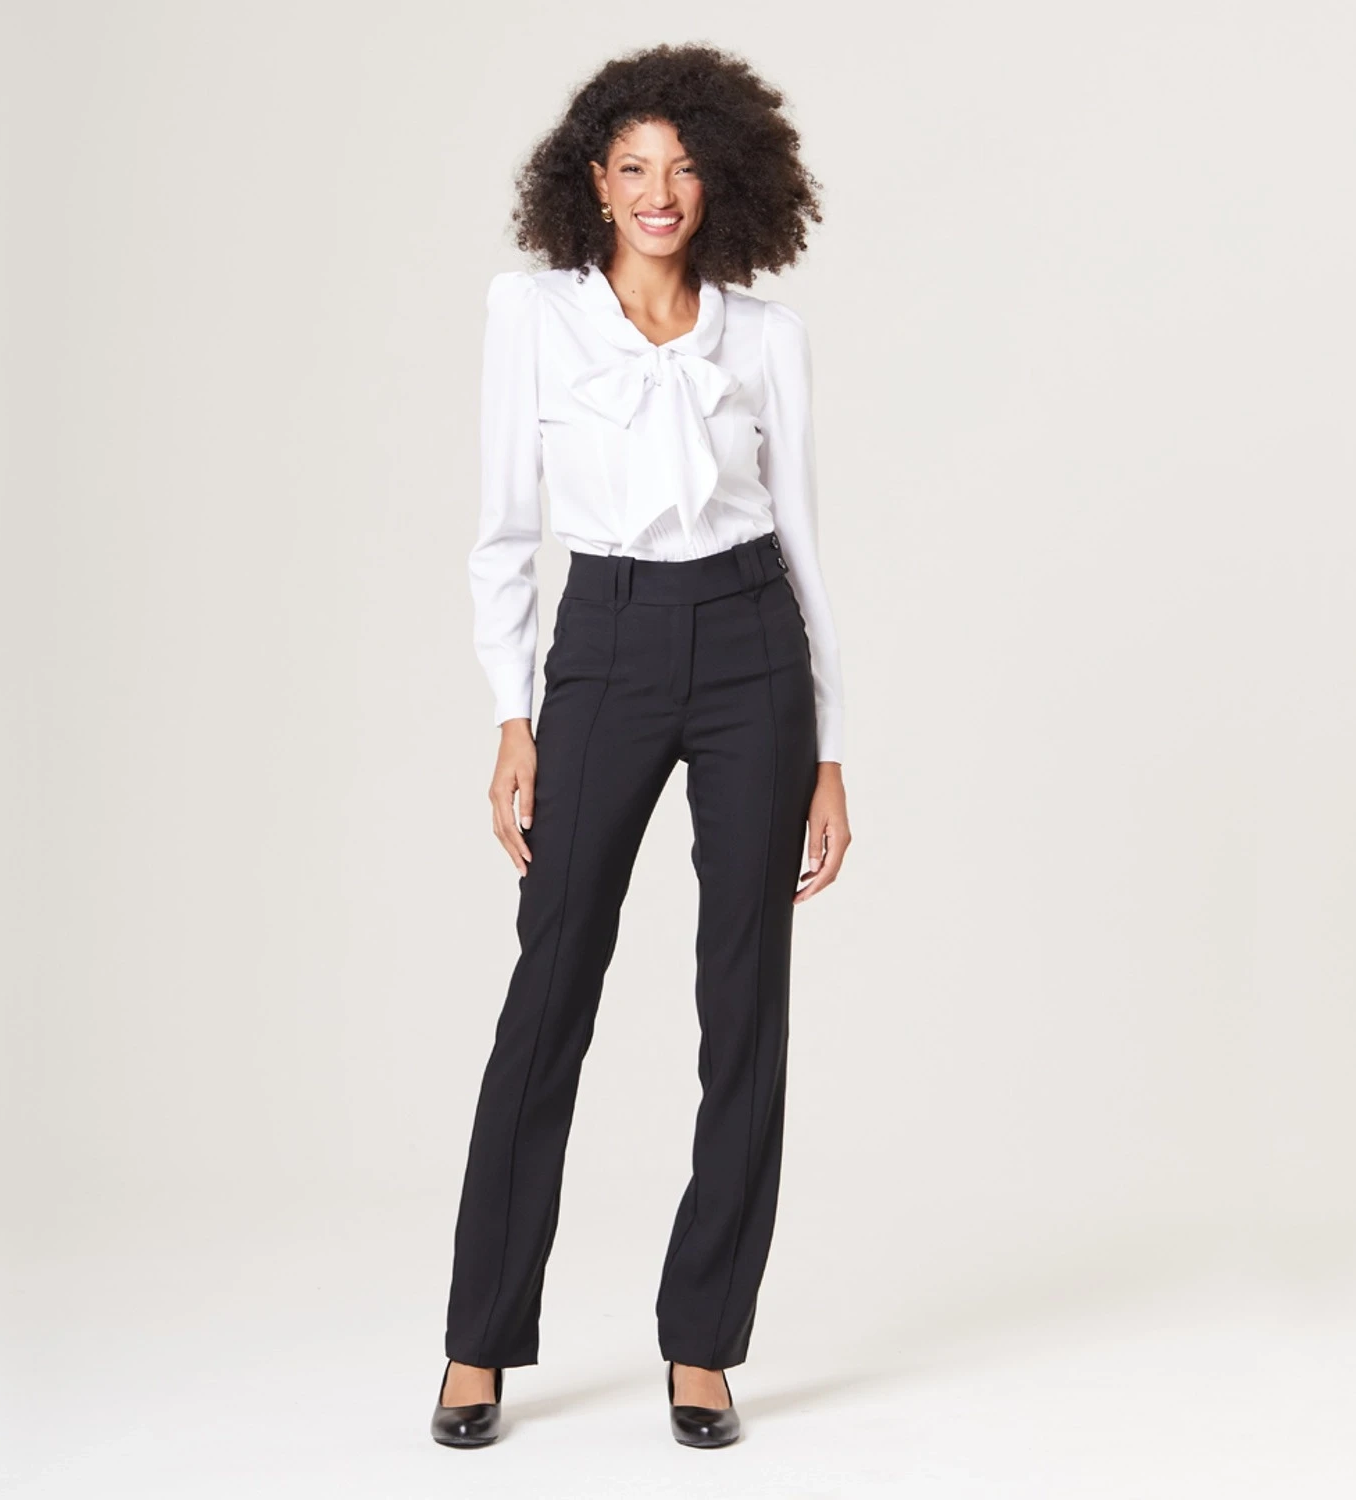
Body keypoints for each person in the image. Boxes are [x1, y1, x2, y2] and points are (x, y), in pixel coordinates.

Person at [431, 42, 851, 1449]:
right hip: (604, 644)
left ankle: (704, 1346)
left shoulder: (766, 340)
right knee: (550, 985)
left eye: (681, 167)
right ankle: (479, 1340)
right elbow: (504, 529)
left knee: (746, 1006)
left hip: (751, 650)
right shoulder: (534, 316)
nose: (659, 191)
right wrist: (511, 714)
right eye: (632, 168)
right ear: (594, 185)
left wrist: (830, 747)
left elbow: (805, 547)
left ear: (722, 180)